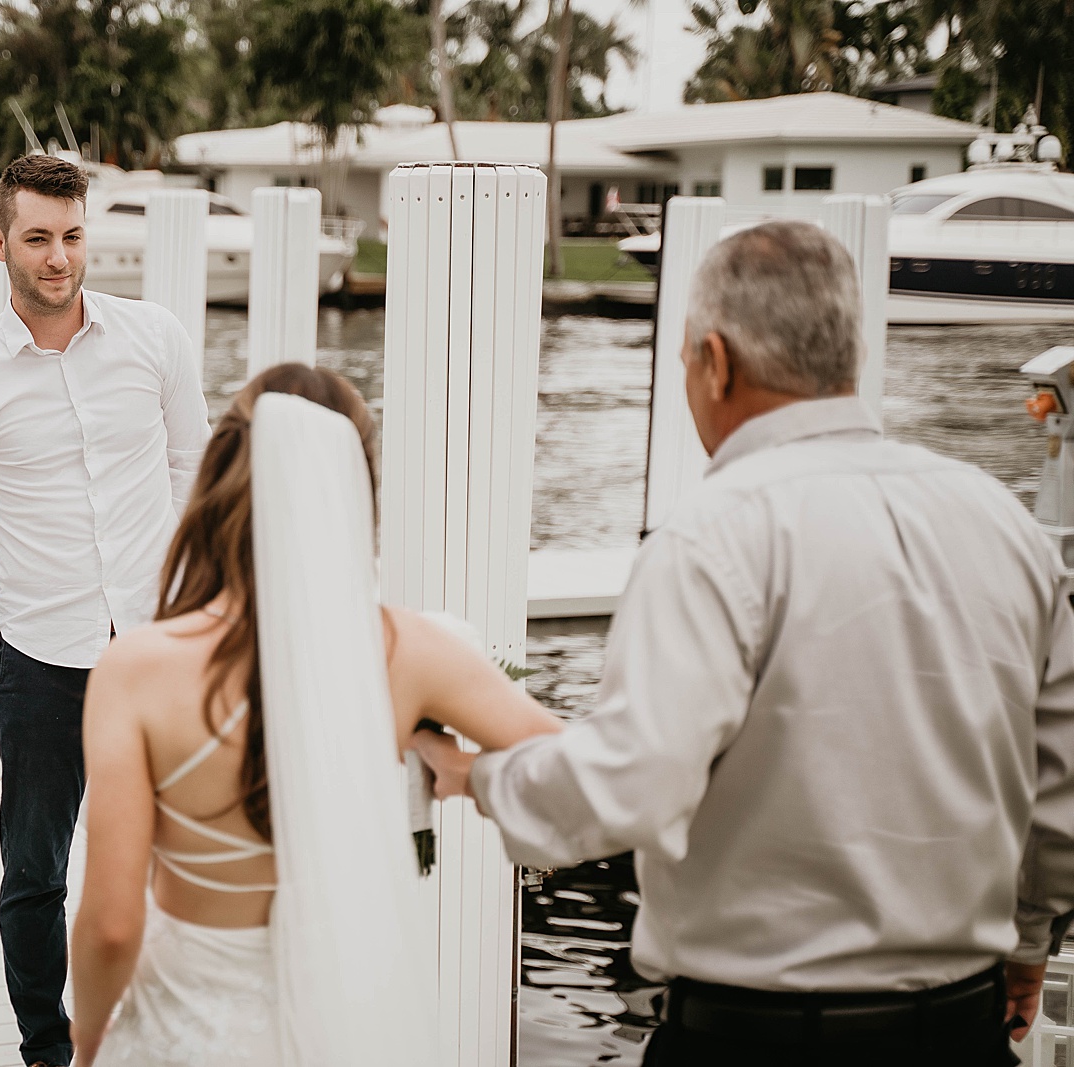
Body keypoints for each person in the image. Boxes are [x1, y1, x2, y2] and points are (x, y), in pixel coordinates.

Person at [414, 220, 1074, 1066]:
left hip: (755, 1040)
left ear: (714, 360)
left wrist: (480, 775)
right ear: (849, 356)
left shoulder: (711, 538)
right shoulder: (1004, 524)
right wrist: (1028, 936)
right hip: (960, 1034)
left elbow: (631, 785)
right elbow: (1062, 786)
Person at [68, 364, 561, 1066]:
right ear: (356, 489)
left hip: (185, 1030)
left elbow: (113, 926)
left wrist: (87, 1043)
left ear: (223, 479)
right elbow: (582, 767)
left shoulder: (138, 669)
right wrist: (465, 770)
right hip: (345, 1027)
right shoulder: (411, 650)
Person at [0, 154, 213, 1067]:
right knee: (35, 872)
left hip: (159, 653)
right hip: (43, 662)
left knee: (182, 857)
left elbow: (192, 466)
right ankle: (47, 1048)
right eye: (38, 238)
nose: (59, 257)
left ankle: (156, 1031)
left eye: (73, 236)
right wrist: (26, 598)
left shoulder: (154, 336)